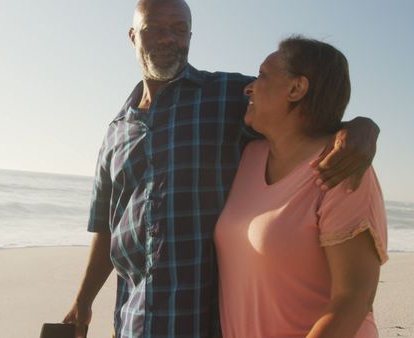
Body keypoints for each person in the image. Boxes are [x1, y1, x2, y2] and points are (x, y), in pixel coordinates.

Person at [62, 1, 380, 337]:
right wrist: (83, 300)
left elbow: (304, 113)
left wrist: (361, 127)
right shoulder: (116, 131)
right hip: (134, 321)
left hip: (207, 322)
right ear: (132, 36)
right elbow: (106, 227)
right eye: (154, 27)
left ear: (191, 36)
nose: (168, 38)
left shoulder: (228, 97)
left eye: (179, 29)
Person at [214, 36, 387, 338]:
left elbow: (354, 299)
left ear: (296, 89)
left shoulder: (342, 168)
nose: (249, 87)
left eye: (263, 75)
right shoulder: (249, 157)